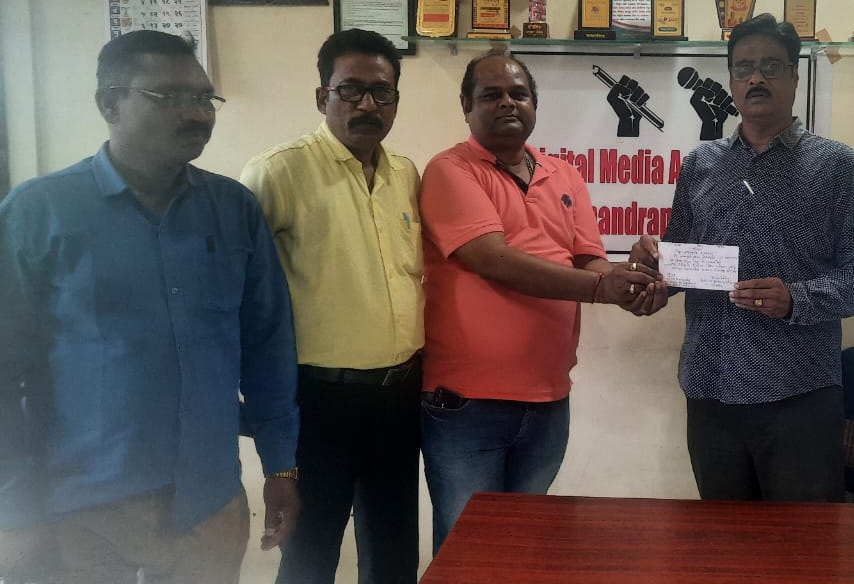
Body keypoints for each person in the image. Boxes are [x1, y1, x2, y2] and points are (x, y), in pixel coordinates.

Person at [0, 30, 300, 584]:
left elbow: (268, 345)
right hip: (79, 508)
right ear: (109, 104)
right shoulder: (39, 213)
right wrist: (13, 506)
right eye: (171, 97)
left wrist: (281, 464)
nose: (198, 114)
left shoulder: (232, 209)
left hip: (206, 502)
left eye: (204, 98)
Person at [631, 13, 854, 503]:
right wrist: (654, 266)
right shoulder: (701, 164)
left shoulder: (838, 167)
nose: (756, 77)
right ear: (731, 80)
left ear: (794, 76)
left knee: (802, 541)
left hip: (798, 394)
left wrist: (797, 299)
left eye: (771, 66)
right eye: (744, 67)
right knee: (724, 538)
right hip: (710, 389)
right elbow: (682, 263)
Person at [418, 52, 659, 554]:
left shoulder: (564, 174)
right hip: (468, 404)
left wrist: (632, 278)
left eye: (519, 94)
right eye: (491, 95)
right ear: (466, 106)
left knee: (524, 548)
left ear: (534, 104)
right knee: (468, 552)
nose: (507, 103)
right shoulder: (450, 170)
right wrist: (603, 288)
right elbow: (493, 259)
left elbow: (589, 260)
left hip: (549, 401)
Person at [241, 29, 425, 583]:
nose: (368, 104)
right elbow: (243, 293)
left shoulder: (405, 173)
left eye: (382, 92)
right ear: (323, 97)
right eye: (351, 90)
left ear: (395, 100)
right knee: (310, 555)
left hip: (399, 397)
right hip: (318, 402)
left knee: (394, 553)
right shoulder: (277, 173)